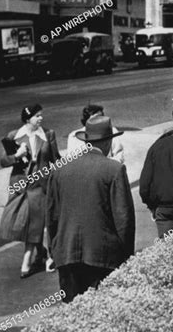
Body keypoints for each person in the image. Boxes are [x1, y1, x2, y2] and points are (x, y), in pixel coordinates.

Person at [47, 115, 135, 303]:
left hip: (67, 255)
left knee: (72, 314)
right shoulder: (114, 169)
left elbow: (52, 216)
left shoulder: (60, 170)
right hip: (103, 257)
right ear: (109, 141)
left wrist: (54, 251)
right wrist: (127, 257)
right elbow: (124, 219)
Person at [0, 104, 60, 278]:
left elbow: (56, 160)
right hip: (21, 185)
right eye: (37, 116)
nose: (40, 118)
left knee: (35, 220)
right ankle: (41, 253)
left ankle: (27, 262)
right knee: (22, 222)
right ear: (27, 119)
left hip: (41, 184)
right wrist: (16, 156)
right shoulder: (13, 136)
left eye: (41, 115)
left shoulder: (48, 134)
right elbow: (3, 161)